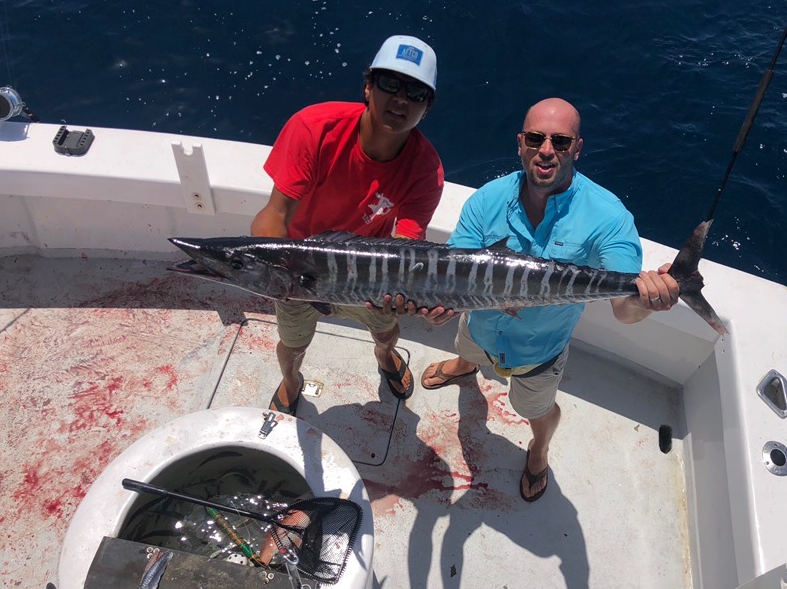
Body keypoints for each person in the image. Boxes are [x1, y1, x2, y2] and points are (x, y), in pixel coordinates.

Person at [419, 97, 680, 502]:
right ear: (521, 143)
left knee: (535, 410)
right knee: (466, 346)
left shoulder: (609, 217)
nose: (546, 150)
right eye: (537, 138)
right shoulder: (487, 200)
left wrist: (647, 301)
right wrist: (439, 307)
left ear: (577, 148)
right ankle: (464, 365)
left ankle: (539, 448)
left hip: (538, 353)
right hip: (479, 324)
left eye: (560, 141)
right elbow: (454, 274)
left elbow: (625, 311)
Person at [251, 35, 444, 416]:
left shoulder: (426, 170)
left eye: (416, 92)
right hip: (298, 272)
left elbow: (406, 248)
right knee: (292, 343)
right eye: (391, 83)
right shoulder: (314, 127)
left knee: (386, 330)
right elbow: (275, 214)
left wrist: (420, 299)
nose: (401, 99)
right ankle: (292, 381)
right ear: (368, 86)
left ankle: (385, 356)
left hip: (371, 279)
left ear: (427, 107)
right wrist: (278, 278)